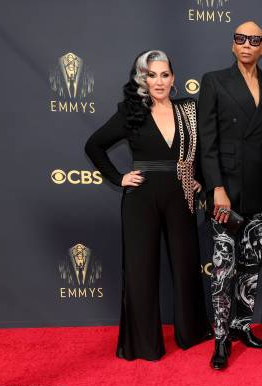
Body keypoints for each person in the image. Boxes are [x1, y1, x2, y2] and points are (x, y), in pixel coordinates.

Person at [85, 50, 212, 361]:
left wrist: (201, 182)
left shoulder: (189, 110)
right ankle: (143, 344)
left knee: (185, 265)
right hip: (140, 199)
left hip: (181, 194)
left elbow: (206, 151)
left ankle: (191, 332)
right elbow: (94, 145)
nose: (159, 81)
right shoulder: (131, 111)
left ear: (174, 79)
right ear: (142, 78)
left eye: (164, 75)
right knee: (141, 271)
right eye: (151, 75)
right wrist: (118, 177)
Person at [198, 21, 262, 370]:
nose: (247, 45)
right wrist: (216, 187)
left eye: (254, 40)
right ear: (233, 45)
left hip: (261, 192)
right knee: (223, 270)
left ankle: (242, 327)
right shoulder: (215, 81)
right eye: (240, 39)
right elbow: (208, 141)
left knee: (251, 267)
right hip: (226, 194)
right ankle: (221, 340)